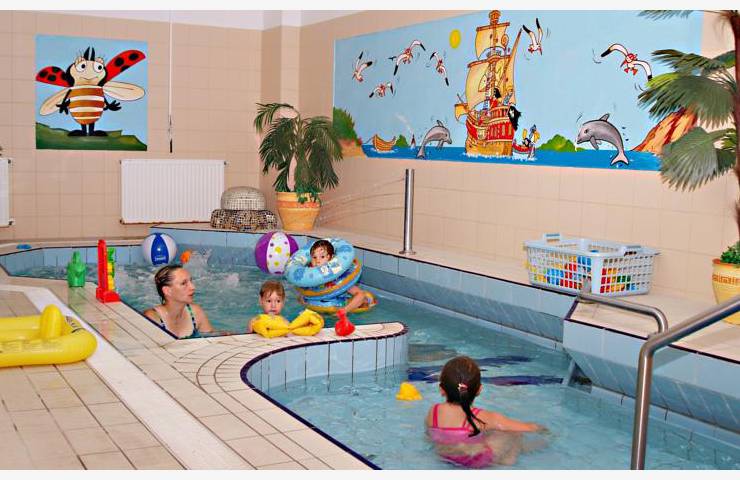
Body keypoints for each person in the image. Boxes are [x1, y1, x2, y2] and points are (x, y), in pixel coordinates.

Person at [425, 356, 546, 468]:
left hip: (445, 455)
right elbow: (527, 428)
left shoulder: (434, 411)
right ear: (479, 390)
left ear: (441, 389)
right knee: (513, 434)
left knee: (483, 433)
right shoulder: (482, 417)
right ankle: (508, 459)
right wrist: (539, 428)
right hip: (476, 460)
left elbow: (430, 434)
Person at [144, 264, 214, 339]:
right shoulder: (152, 318)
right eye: (183, 283)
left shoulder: (195, 312)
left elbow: (212, 339)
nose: (193, 287)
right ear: (167, 291)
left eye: (191, 281)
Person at [310, 239, 371, 314]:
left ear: (331, 258)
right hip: (319, 307)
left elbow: (361, 295)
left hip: (340, 308)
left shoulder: (338, 278)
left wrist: (344, 311)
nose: (317, 261)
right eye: (314, 257)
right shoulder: (310, 277)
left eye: (322, 257)